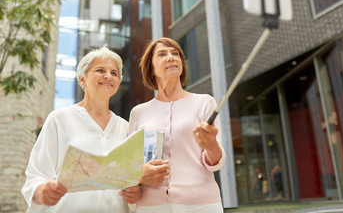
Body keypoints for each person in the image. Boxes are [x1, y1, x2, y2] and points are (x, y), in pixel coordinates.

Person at [21, 46, 141, 213]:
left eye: (114, 73)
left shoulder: (126, 128)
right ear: (82, 79)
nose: (108, 75)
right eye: (100, 70)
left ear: (118, 83)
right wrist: (41, 192)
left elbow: (132, 184)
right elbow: (37, 174)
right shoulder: (59, 119)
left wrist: (134, 195)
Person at [128, 37, 226, 213]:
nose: (171, 57)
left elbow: (216, 162)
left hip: (200, 205)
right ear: (151, 69)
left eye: (176, 54)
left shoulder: (204, 102)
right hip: (150, 207)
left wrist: (210, 144)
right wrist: (137, 178)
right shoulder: (138, 113)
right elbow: (130, 165)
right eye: (162, 54)